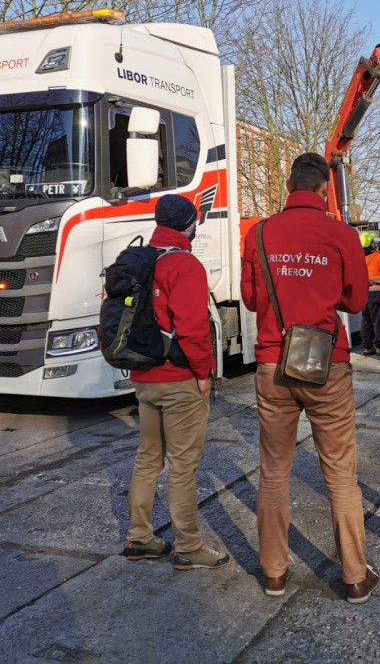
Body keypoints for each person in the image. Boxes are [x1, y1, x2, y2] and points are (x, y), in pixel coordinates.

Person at [241, 152, 379, 604]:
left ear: (288, 186)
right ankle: (355, 577)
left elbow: (250, 298)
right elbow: (356, 301)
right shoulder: (341, 234)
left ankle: (273, 574)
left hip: (272, 363)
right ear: (324, 189)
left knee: (273, 473)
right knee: (340, 475)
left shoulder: (259, 233)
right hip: (327, 364)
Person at [122, 194, 230, 571]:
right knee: (183, 466)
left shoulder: (136, 260)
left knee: (147, 458)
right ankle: (188, 546)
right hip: (179, 379)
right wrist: (204, 374)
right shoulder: (184, 264)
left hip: (144, 377)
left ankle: (139, 538)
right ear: (189, 225)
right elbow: (194, 329)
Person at [361, 232, 380, 356]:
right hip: (378, 295)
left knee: (366, 321)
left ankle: (367, 347)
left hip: (364, 295)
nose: (375, 244)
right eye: (373, 242)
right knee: (379, 321)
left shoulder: (359, 259)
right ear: (371, 245)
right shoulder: (379, 258)